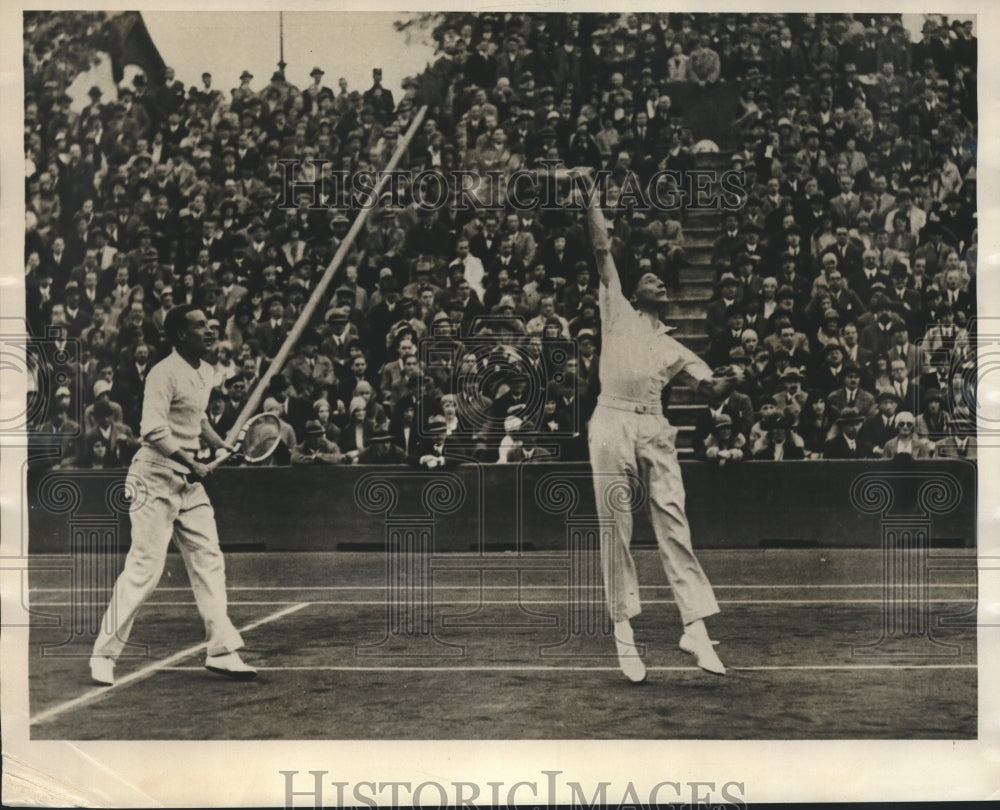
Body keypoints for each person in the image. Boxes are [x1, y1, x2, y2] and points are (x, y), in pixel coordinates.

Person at [583, 188, 745, 682]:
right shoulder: (617, 312)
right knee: (617, 525)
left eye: (660, 278)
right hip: (611, 420)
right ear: (633, 293)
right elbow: (602, 250)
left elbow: (709, 384)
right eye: (648, 277)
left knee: (673, 519)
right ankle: (623, 630)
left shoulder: (674, 346)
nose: (656, 280)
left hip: (654, 425)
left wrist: (730, 380)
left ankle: (694, 626)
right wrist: (588, 198)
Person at [90, 305, 256, 686]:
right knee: (145, 570)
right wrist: (192, 462)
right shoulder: (161, 373)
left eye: (210, 326)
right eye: (200, 327)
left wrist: (219, 445)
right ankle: (103, 654)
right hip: (153, 477)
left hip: (188, 483)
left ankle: (221, 651)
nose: (210, 331)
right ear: (181, 335)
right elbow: (152, 430)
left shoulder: (206, 370)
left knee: (209, 560)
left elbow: (196, 419)